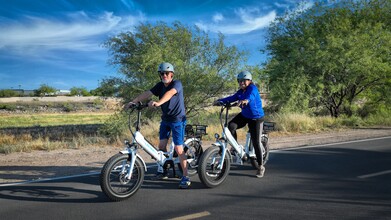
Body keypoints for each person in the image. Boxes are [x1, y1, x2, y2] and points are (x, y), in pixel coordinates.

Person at [125, 62, 190, 189]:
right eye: (162, 73)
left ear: (172, 75)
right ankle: (164, 170)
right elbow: (147, 93)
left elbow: (170, 93)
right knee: (161, 147)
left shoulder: (177, 84)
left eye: (167, 73)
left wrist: (159, 102)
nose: (164, 75)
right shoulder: (160, 85)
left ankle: (186, 176)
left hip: (177, 120)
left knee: (178, 148)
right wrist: (134, 101)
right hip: (165, 119)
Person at [214, 70, 266, 178]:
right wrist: (219, 101)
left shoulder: (252, 88)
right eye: (240, 81)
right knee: (230, 126)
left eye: (244, 81)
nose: (241, 83)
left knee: (256, 142)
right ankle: (236, 147)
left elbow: (251, 96)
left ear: (249, 81)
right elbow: (231, 98)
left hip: (256, 118)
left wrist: (245, 100)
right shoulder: (240, 92)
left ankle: (261, 166)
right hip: (245, 115)